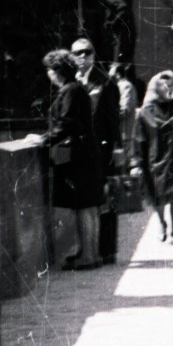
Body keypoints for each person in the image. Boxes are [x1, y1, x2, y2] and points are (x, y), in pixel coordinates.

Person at [44, 50, 103, 268]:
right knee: (90, 206)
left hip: (78, 155)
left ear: (56, 71)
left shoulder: (69, 91)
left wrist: (43, 140)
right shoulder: (77, 89)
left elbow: (66, 124)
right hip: (88, 152)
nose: (49, 75)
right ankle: (92, 254)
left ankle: (87, 256)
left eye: (50, 70)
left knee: (82, 206)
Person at [71, 37, 122, 263]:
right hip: (79, 150)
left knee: (106, 199)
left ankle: (107, 250)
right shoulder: (71, 80)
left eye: (87, 52)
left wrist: (116, 148)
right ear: (72, 56)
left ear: (93, 55)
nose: (83, 57)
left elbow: (113, 119)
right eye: (78, 53)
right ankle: (88, 249)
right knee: (87, 201)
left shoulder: (105, 81)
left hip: (101, 148)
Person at [134, 71, 173, 243]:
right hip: (156, 160)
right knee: (159, 197)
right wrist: (136, 162)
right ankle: (162, 223)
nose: (168, 87)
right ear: (156, 86)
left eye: (171, 84)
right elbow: (140, 139)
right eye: (164, 84)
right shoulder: (146, 111)